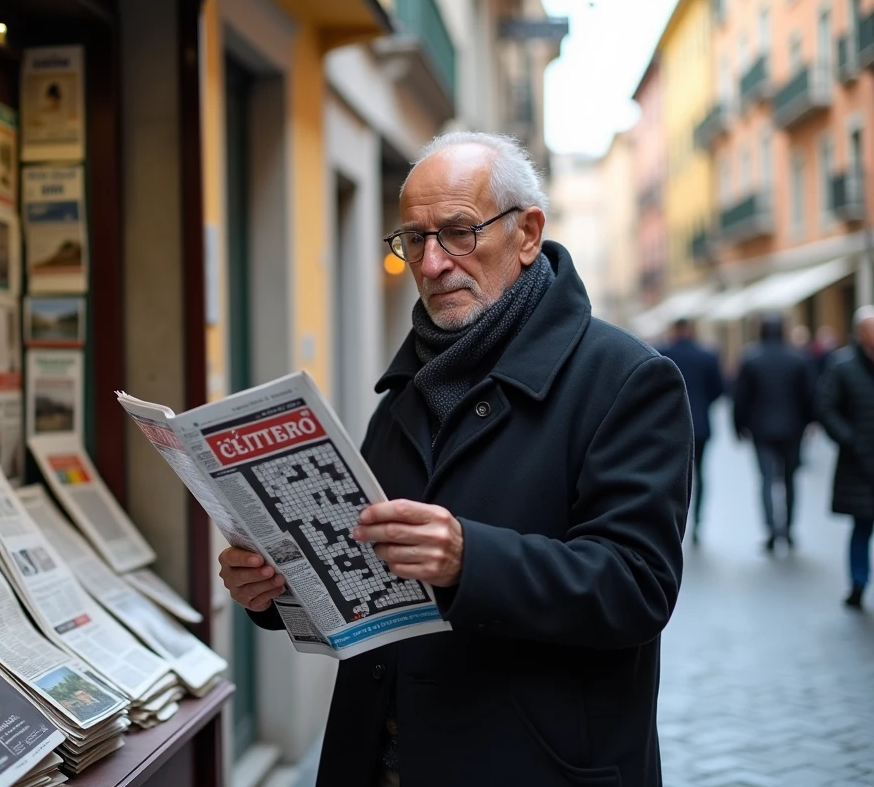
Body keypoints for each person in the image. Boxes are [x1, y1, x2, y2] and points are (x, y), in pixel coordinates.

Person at [218, 132, 692, 786]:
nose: (433, 261)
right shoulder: (408, 386)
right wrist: (278, 588)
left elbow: (638, 587)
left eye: (459, 233)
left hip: (531, 767)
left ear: (527, 234)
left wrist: (472, 559)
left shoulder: (627, 378)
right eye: (414, 238)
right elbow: (365, 572)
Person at [732, 314, 814, 551]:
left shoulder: (751, 359)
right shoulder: (798, 358)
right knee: (790, 480)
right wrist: (810, 423)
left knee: (767, 480)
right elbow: (808, 396)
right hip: (793, 428)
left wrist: (738, 426)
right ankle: (787, 529)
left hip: (761, 430)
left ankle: (771, 529)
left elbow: (741, 397)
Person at [815, 306, 874, 610]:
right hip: (858, 460)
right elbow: (825, 407)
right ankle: (859, 582)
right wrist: (847, 439)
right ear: (860, 332)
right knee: (862, 525)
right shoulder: (842, 366)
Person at [660, 318, 725, 543]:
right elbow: (718, 389)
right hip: (700, 424)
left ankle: (674, 523)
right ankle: (697, 521)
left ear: (675, 330)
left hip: (668, 424)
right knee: (700, 474)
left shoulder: (662, 353)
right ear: (691, 329)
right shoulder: (707, 356)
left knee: (670, 476)